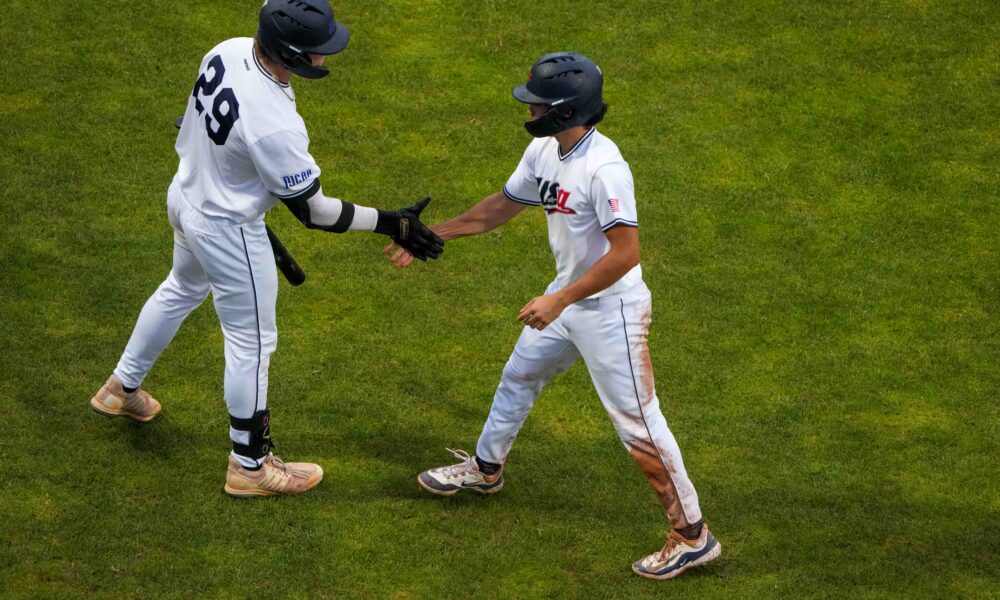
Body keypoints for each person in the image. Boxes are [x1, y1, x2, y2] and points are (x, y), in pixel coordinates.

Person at [89, 0, 443, 498]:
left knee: (181, 288)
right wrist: (393, 224)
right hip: (228, 230)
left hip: (186, 196)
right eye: (318, 51)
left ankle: (120, 389)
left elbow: (197, 123)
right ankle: (250, 465)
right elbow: (314, 212)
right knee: (252, 342)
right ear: (292, 53)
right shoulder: (275, 121)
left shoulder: (228, 50)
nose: (325, 57)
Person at [387, 52, 720, 580]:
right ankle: (486, 469)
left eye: (539, 103)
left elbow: (626, 253)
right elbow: (502, 204)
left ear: (566, 110)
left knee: (638, 425)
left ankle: (692, 536)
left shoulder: (604, 168)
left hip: (610, 311)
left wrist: (560, 300)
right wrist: (433, 234)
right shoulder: (545, 149)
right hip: (567, 299)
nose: (531, 109)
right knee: (520, 376)